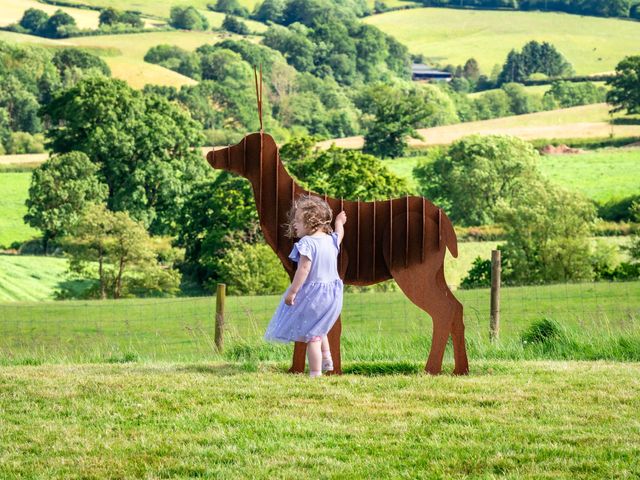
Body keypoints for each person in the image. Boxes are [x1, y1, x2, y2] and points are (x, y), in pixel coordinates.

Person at [264, 195, 347, 378]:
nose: (294, 225)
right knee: (320, 327)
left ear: (311, 223)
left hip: (314, 295)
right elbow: (340, 233)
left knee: (312, 337)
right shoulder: (330, 240)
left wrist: (293, 291)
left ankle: (315, 373)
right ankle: (327, 360)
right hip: (333, 294)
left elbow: (304, 269)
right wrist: (340, 221)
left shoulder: (307, 243)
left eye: (298, 221)